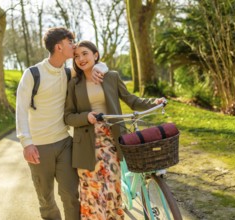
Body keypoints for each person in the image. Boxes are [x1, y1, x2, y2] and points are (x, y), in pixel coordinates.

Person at [64, 40, 165, 220]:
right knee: (92, 194)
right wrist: (86, 116)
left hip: (111, 139)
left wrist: (153, 102)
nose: (80, 58)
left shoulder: (111, 77)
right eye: (76, 56)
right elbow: (68, 116)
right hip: (86, 145)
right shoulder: (74, 84)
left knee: (111, 190)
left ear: (95, 55)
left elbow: (131, 100)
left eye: (85, 53)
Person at [16, 28, 108, 220]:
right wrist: (26, 143)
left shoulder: (68, 73)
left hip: (65, 143)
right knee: (46, 199)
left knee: (71, 195)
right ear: (59, 47)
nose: (74, 45)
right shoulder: (32, 74)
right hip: (39, 148)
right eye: (70, 42)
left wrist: (101, 68)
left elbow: (93, 65)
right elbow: (21, 110)